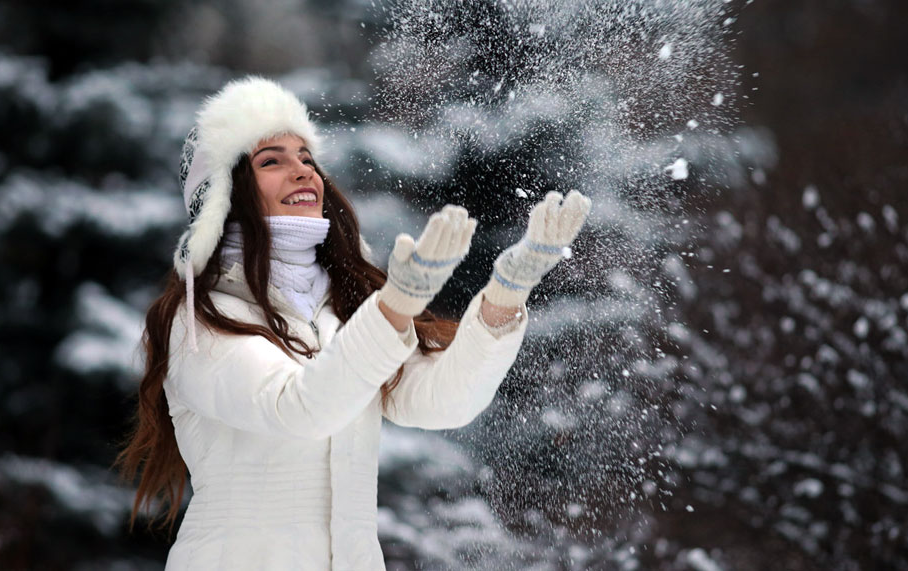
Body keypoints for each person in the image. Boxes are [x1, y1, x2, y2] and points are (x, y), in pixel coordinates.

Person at [116, 76, 591, 570]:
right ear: (224, 199)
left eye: (306, 157)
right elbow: (298, 406)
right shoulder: (201, 320)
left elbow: (443, 400)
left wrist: (506, 294)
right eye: (271, 160)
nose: (302, 171)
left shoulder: (337, 313)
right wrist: (395, 306)